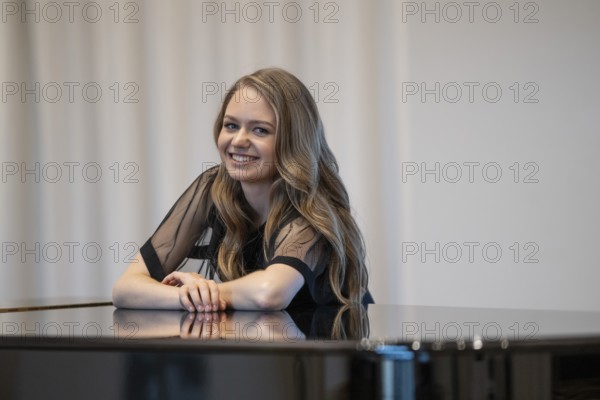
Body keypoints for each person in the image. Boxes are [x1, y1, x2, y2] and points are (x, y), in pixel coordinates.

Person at [112, 67, 373, 312]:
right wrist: (187, 295)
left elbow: (269, 292)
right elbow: (125, 289)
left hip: (327, 355)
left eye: (260, 130)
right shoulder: (212, 187)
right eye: (231, 125)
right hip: (266, 349)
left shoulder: (310, 209)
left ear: (292, 142)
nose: (238, 141)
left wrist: (205, 292)